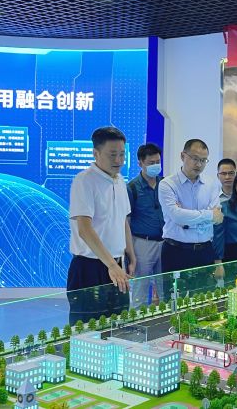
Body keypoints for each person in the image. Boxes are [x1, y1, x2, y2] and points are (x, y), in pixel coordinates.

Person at [67, 126, 134, 325]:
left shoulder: (120, 181)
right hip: (89, 267)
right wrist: (111, 265)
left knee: (118, 323)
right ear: (96, 153)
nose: (118, 160)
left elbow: (123, 220)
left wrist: (130, 254)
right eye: (112, 155)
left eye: (122, 154)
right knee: (87, 328)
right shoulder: (84, 181)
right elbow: (84, 229)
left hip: (117, 265)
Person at [158, 139, 224, 291]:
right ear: (183, 156)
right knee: (174, 300)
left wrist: (187, 219)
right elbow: (177, 216)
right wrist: (208, 215)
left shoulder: (212, 184)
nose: (199, 164)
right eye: (195, 158)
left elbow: (217, 218)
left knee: (205, 298)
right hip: (176, 251)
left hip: (205, 251)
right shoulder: (167, 184)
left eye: (203, 160)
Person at [127, 143, 164, 307]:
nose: (156, 165)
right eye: (151, 163)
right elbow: (126, 221)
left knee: (166, 288)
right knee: (140, 290)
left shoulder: (165, 184)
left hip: (165, 242)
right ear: (140, 163)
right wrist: (130, 252)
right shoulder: (132, 188)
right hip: (142, 243)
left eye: (158, 162)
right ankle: (137, 320)